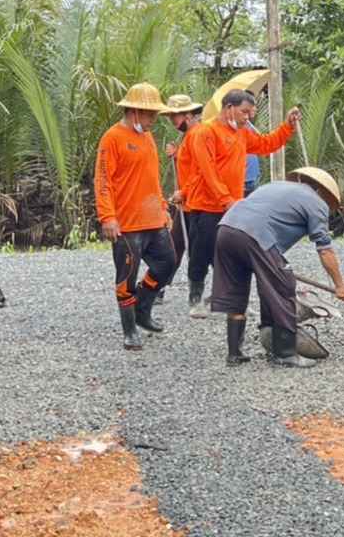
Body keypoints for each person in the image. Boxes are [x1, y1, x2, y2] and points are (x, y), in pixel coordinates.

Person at [178, 89, 301, 320]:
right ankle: (195, 299)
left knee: (233, 254)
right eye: (244, 111)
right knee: (201, 254)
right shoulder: (206, 131)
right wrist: (226, 200)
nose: (247, 117)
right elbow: (208, 170)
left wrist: (287, 126)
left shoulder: (242, 132)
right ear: (229, 108)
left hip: (233, 205)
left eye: (249, 113)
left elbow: (266, 145)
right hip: (207, 206)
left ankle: (234, 301)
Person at [212, 167, 344, 368]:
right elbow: (325, 250)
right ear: (321, 192)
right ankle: (286, 353)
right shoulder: (316, 203)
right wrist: (340, 286)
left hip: (226, 228)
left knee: (237, 289)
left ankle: (235, 353)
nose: (327, 208)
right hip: (255, 234)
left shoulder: (276, 186)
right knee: (283, 284)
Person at [95, 82, 177, 350]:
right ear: (133, 111)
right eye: (149, 114)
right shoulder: (112, 138)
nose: (154, 119)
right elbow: (103, 180)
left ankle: (142, 307)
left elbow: (151, 178)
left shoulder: (148, 138)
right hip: (127, 223)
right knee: (126, 277)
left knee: (167, 264)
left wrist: (163, 207)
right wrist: (107, 216)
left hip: (153, 219)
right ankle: (129, 330)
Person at [162, 92, 204, 269]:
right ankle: (158, 288)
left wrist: (183, 192)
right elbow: (188, 164)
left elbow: (200, 170)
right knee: (176, 247)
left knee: (185, 248)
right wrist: (176, 153)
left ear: (187, 114)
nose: (172, 119)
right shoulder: (188, 135)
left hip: (194, 204)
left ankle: (158, 288)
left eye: (174, 114)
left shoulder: (197, 135)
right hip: (187, 203)